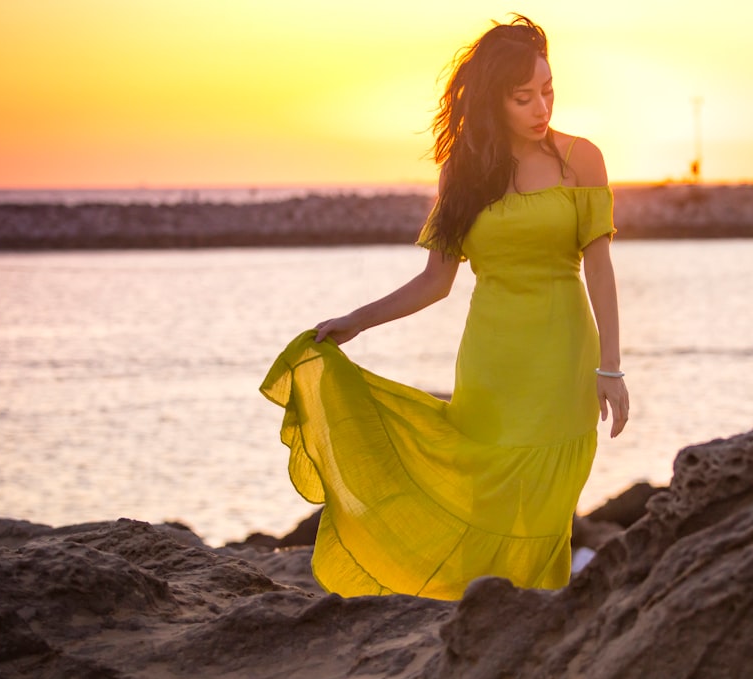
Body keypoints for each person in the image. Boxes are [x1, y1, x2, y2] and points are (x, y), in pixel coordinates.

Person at [260, 15, 628, 600]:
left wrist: (611, 367)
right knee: (484, 492)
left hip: (564, 359)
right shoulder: (465, 173)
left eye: (549, 90)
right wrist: (356, 321)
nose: (542, 108)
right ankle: (477, 615)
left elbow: (601, 270)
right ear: (492, 100)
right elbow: (436, 281)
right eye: (523, 96)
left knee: (550, 502)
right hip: (492, 363)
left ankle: (535, 619)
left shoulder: (580, 159)